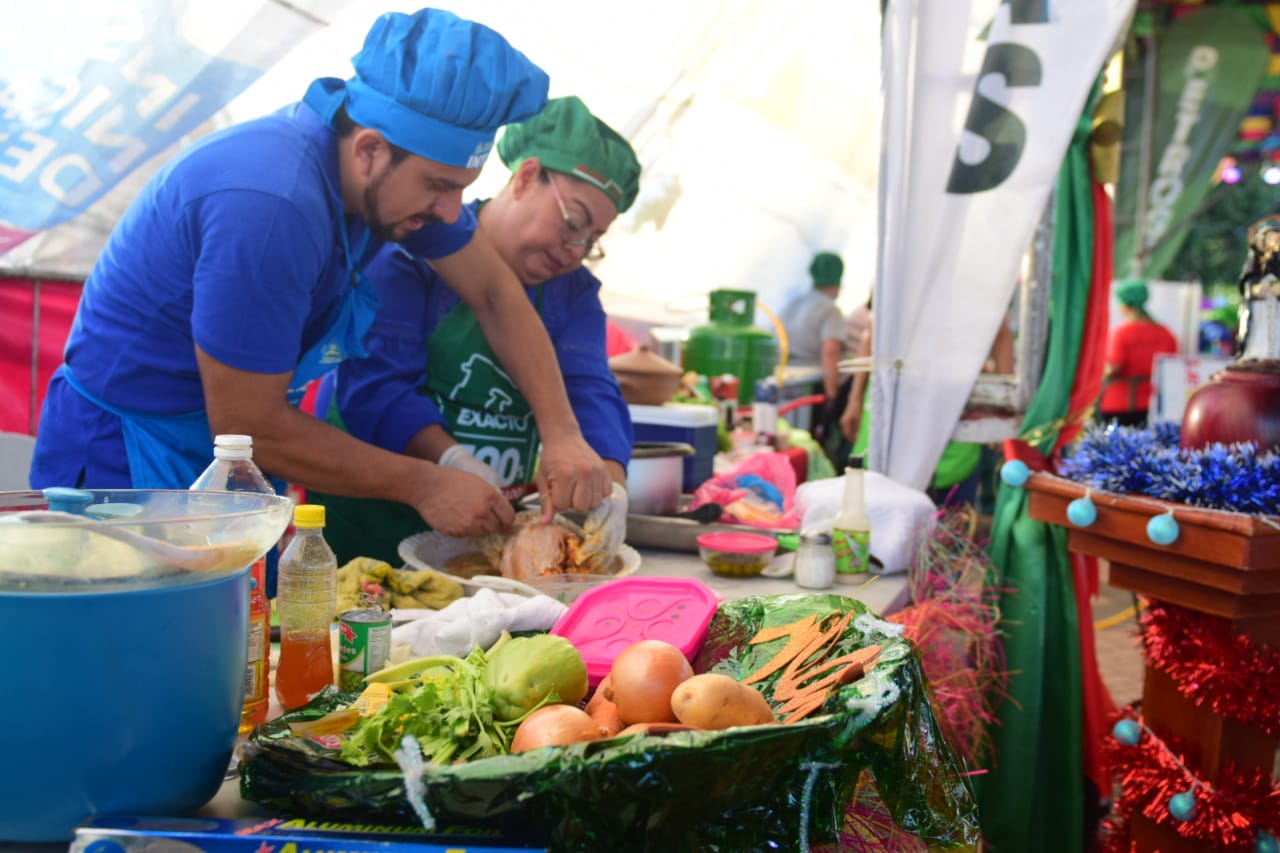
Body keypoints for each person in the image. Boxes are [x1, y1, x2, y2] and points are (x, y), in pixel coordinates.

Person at [29, 8, 614, 541]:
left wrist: (562, 432)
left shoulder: (387, 184)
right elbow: (250, 424)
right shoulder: (270, 206)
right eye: (440, 187)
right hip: (127, 463)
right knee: (130, 651)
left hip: (226, 456)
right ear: (368, 150)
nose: (448, 212)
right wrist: (426, 482)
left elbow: (492, 292)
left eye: (459, 190)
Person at [312, 96, 637, 565]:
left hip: (494, 538)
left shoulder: (573, 293)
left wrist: (610, 483)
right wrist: (451, 460)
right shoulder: (417, 250)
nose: (575, 248)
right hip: (376, 527)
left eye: (592, 240)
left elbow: (589, 390)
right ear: (525, 177)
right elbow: (379, 388)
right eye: (573, 222)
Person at [1098, 278, 1178, 427]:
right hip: (1153, 405)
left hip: (1119, 404)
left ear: (1124, 306)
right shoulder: (1166, 333)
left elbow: (1114, 367)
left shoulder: (1120, 333)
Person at [779, 251, 847, 405]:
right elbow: (831, 352)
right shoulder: (831, 311)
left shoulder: (793, 304)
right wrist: (832, 396)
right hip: (810, 387)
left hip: (782, 378)